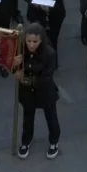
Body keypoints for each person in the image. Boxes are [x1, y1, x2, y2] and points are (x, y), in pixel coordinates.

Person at [12, 23, 62, 160]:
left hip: (45, 92)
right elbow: (13, 69)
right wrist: (14, 65)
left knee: (51, 117)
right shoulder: (20, 49)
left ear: (41, 40)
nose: (31, 45)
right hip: (27, 93)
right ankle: (26, 141)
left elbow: (46, 78)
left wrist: (25, 79)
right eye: (29, 41)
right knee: (28, 118)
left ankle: (54, 141)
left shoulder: (50, 54)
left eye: (35, 41)